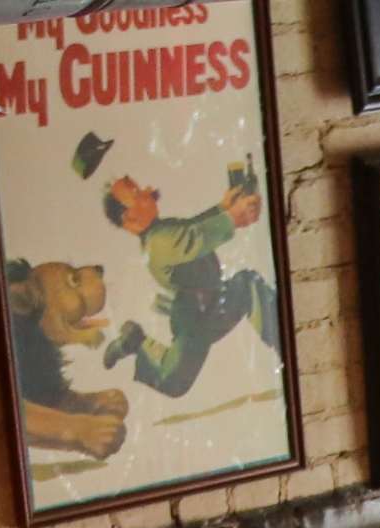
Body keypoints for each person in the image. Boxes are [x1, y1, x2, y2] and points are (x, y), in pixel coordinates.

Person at [97, 164, 279, 400]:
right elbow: (195, 237)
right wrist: (232, 217)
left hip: (215, 298)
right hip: (193, 316)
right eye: (138, 193)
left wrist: (222, 208)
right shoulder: (158, 242)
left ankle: (283, 342)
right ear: (130, 217)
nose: (148, 190)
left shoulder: (163, 229)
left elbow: (192, 226)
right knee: (174, 381)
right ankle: (135, 340)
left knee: (249, 285)